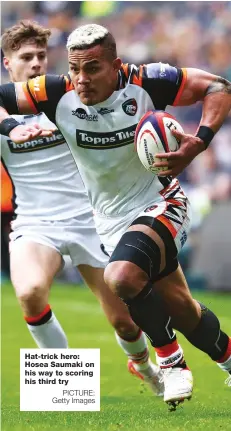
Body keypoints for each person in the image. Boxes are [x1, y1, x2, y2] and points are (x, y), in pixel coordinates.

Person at [0, 23, 230, 407]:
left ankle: (170, 361)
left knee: (122, 276)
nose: (81, 79)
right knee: (184, 310)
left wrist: (198, 144)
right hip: (103, 219)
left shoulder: (148, 81)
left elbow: (218, 87)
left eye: (92, 69)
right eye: (74, 69)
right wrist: (9, 125)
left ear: (116, 66)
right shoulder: (55, 93)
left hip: (160, 202)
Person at [0, 20, 165, 399]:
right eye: (26, 57)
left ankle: (143, 366)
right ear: (8, 63)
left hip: (92, 219)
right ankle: (63, 390)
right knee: (29, 292)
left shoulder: (67, 97)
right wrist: (10, 127)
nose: (37, 63)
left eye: (42, 55)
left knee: (124, 321)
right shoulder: (5, 112)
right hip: (35, 223)